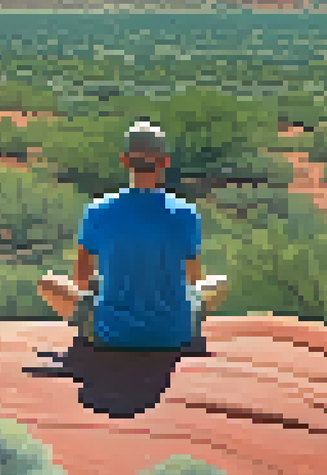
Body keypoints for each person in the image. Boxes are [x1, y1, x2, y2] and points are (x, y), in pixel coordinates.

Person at [37, 119, 226, 356]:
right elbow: (193, 279)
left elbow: (80, 281)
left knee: (48, 283)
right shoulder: (187, 213)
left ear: (124, 160)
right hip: (175, 334)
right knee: (220, 284)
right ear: (164, 162)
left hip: (111, 335)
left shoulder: (98, 211)